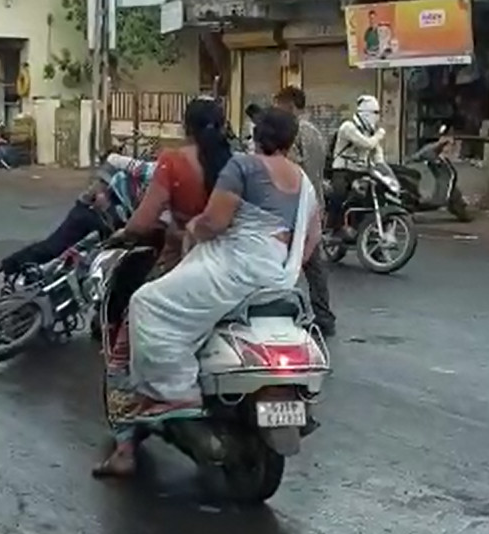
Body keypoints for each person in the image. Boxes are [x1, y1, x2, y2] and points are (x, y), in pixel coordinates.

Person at [94, 106, 321, 477]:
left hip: (233, 268)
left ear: (256, 133)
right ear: (292, 139)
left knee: (146, 304)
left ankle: (175, 395)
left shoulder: (242, 167)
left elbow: (215, 221)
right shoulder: (304, 182)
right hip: (277, 276)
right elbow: (310, 241)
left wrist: (194, 232)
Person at [93, 97, 233, 477]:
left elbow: (143, 221)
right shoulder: (236, 164)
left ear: (185, 125)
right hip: (231, 269)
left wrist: (122, 234)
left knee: (124, 341)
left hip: (180, 263)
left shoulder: (173, 162)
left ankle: (124, 449)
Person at [0, 154, 155, 293]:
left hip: (116, 226)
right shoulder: (151, 171)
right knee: (53, 248)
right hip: (93, 210)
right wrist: (101, 191)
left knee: (111, 271)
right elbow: (113, 160)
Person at [273, 86, 335, 336]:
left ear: (289, 105)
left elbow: (292, 166)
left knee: (283, 258)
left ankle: (279, 311)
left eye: (278, 105)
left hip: (295, 202)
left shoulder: (294, 132)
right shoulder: (316, 133)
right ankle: (323, 314)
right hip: (315, 201)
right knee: (314, 262)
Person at [329, 94, 386, 241]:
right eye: (375, 113)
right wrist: (380, 134)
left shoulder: (370, 131)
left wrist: (381, 166)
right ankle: (335, 228)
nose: (377, 117)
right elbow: (367, 144)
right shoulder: (348, 127)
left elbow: (376, 151)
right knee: (340, 194)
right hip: (342, 169)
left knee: (373, 195)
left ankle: (364, 227)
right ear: (365, 113)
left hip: (361, 171)